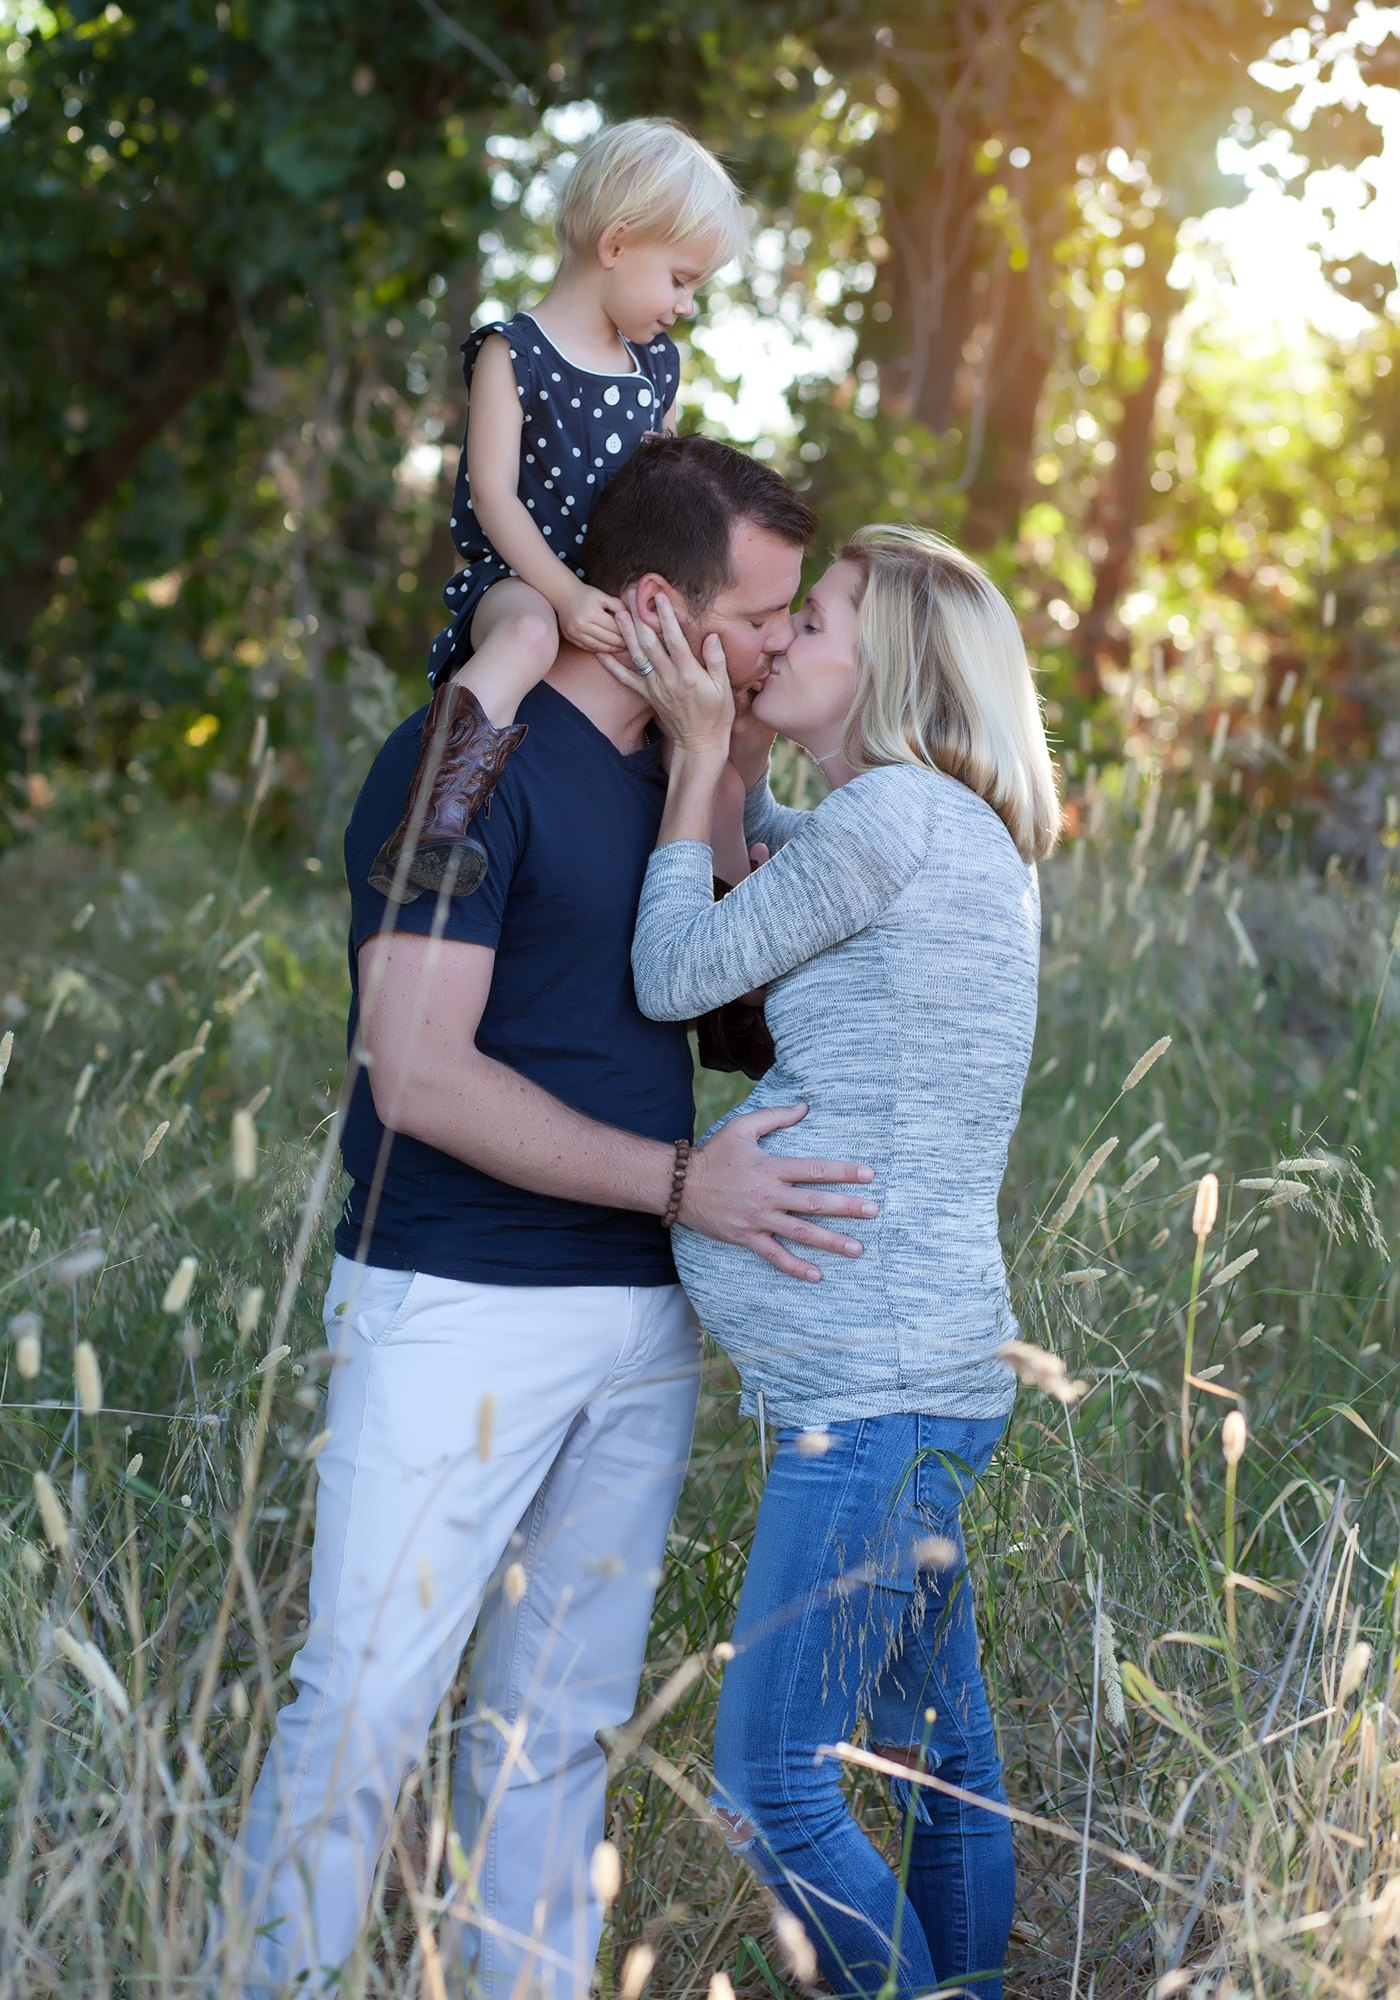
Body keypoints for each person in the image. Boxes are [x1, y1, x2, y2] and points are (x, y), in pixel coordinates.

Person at [218, 437, 884, 2000]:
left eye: (798, 619)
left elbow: (734, 1021)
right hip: (457, 1303)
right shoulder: (469, 755)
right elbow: (419, 1071)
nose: (784, 644)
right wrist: (678, 1183)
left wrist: (728, 764)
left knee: (558, 1729)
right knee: (367, 1704)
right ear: (654, 603)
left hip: (639, 1318)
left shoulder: (678, 780)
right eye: (765, 614)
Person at [608, 524, 1060, 2000]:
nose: (786, 637)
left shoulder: (891, 821)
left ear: (895, 661)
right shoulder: (939, 829)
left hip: (867, 1399)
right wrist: (730, 759)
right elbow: (762, 868)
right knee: (947, 1758)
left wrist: (688, 760)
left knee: (774, 1780)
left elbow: (679, 968)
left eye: (821, 619)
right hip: (924, 1381)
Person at [370, 117, 749, 902]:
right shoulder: (515, 352)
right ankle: (435, 819)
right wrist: (566, 593)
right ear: (616, 244)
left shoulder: (654, 366)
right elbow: (493, 494)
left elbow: (663, 492)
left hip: (612, 587)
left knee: (707, 685)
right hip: (521, 576)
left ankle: (716, 888)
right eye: (680, 279)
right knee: (529, 633)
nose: (684, 305)